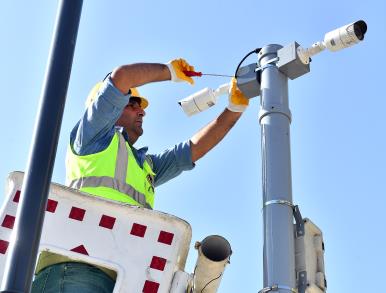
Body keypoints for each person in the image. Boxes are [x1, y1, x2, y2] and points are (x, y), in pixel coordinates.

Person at [31, 58, 249, 293]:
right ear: (106, 108)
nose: (142, 111)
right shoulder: (91, 138)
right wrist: (169, 72)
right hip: (78, 264)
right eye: (132, 104)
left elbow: (192, 150)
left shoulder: (145, 166)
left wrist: (234, 109)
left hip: (122, 273)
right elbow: (122, 77)